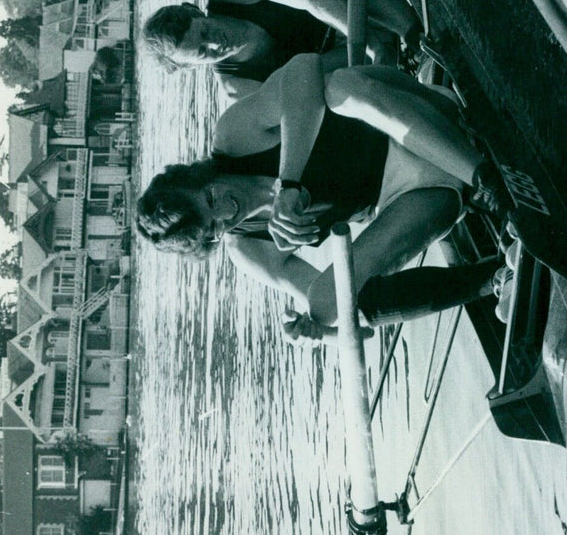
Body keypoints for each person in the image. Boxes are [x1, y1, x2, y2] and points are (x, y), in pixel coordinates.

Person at [136, 56, 518, 338]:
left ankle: (490, 185)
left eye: (210, 197)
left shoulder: (234, 138)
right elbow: (343, 313)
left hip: (419, 119)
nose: (227, 210)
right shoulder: (248, 248)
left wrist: (290, 183)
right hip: (419, 195)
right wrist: (319, 330)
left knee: (339, 88)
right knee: (326, 301)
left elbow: (302, 68)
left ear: (197, 175)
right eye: (215, 225)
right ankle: (496, 277)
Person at [141, 0, 422, 100]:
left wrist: (371, 45)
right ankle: (399, 63)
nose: (215, 44)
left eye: (205, 32)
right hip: (357, 60)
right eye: (203, 53)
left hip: (361, 3)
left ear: (195, 11)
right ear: (191, 67)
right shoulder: (238, 86)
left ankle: (414, 34)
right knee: (306, 80)